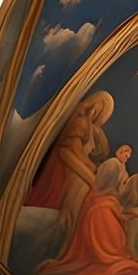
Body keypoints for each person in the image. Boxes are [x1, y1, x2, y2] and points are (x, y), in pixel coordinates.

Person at [24, 93, 114, 228]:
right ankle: (67, 222)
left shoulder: (87, 124)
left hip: (67, 160)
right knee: (81, 187)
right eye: (100, 108)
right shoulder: (80, 119)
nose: (98, 113)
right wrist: (90, 170)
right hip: (61, 164)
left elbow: (77, 150)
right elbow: (71, 150)